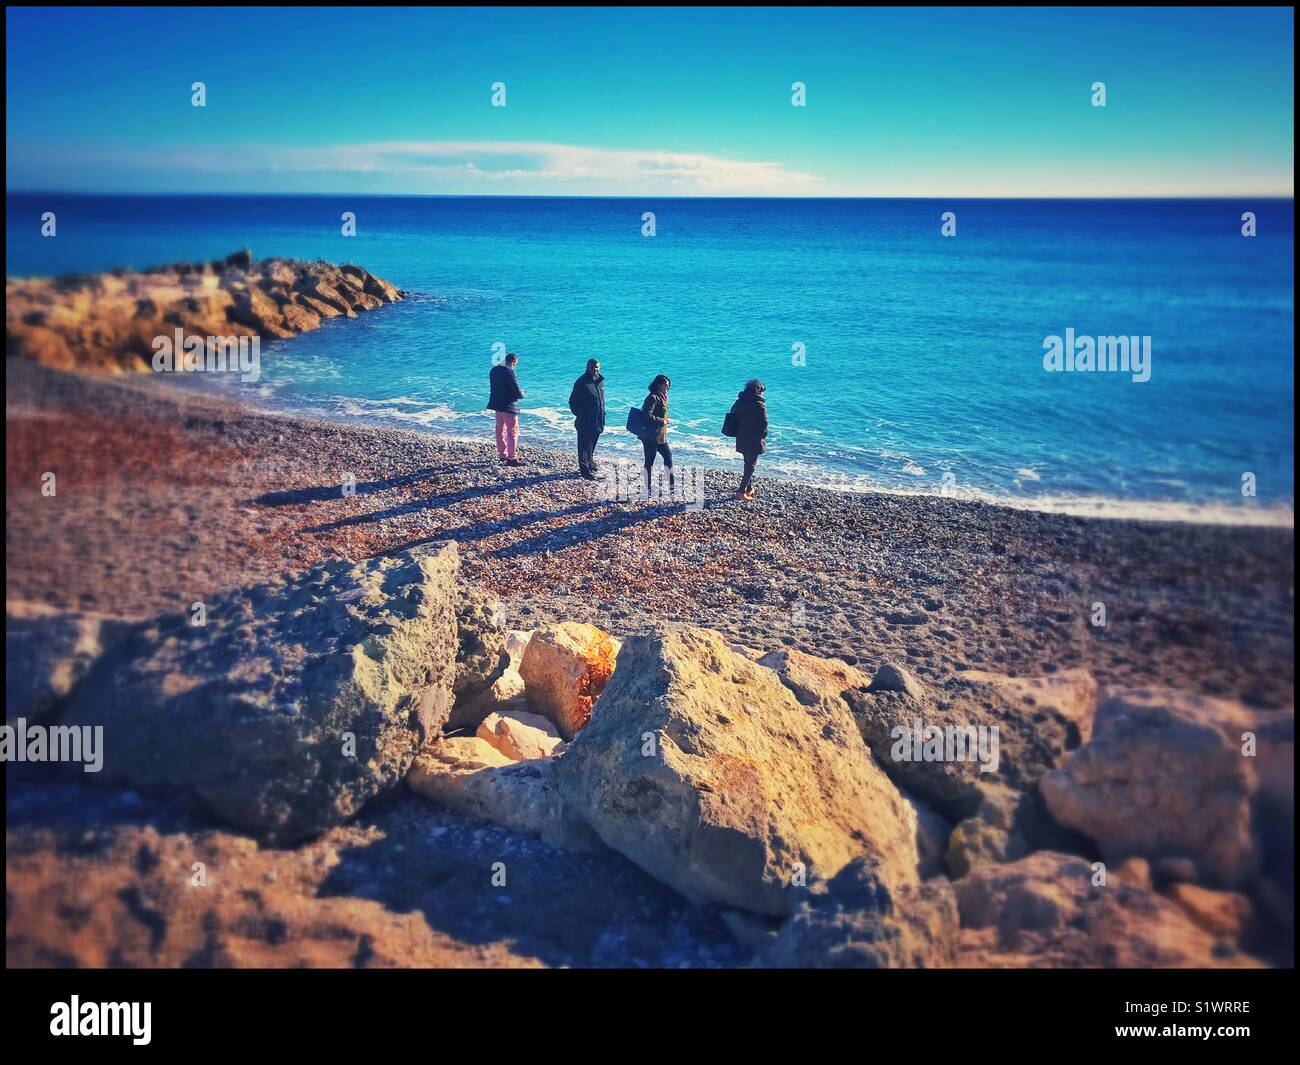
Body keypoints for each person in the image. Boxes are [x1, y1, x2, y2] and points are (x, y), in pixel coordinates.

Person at [730, 378, 768, 500]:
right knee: (751, 465)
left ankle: (749, 488)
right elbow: (764, 424)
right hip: (754, 439)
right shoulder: (759, 405)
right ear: (758, 391)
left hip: (741, 436)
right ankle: (741, 492)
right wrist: (763, 436)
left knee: (747, 463)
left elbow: (732, 414)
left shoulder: (739, 402)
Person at [568, 358, 606, 479]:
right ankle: (585, 471)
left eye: (597, 367)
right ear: (587, 367)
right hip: (585, 420)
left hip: (598, 418)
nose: (595, 369)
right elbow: (572, 402)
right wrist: (582, 414)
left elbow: (600, 399)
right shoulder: (581, 383)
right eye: (592, 367)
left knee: (592, 443)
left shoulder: (600, 381)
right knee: (584, 445)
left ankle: (590, 463)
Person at [486, 352, 524, 467]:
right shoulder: (509, 370)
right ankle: (511, 458)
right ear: (513, 361)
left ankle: (502, 454)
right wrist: (521, 394)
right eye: (516, 364)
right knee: (512, 431)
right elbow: (515, 388)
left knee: (500, 429)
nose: (515, 366)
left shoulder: (494, 370)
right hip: (508, 405)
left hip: (497, 404)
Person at [640, 374, 673, 492]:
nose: (668, 388)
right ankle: (647, 487)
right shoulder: (653, 397)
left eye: (669, 386)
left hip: (661, 436)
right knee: (650, 461)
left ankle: (671, 484)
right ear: (659, 385)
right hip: (650, 436)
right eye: (666, 386)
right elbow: (646, 415)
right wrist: (662, 421)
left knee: (668, 457)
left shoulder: (663, 397)